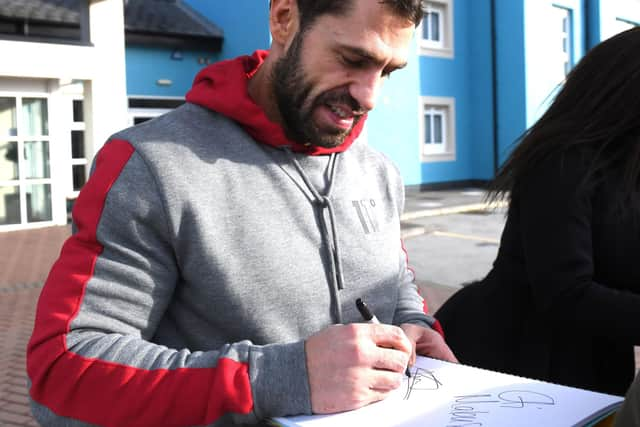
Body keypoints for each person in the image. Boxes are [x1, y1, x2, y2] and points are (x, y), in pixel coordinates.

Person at [26, 1, 457, 426]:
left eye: (387, 71)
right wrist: (281, 378)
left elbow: (394, 280)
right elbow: (63, 375)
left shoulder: (379, 171)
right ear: (284, 18)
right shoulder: (149, 166)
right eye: (353, 59)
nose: (370, 95)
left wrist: (413, 323)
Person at [435, 26, 640, 397]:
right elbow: (566, 293)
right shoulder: (563, 161)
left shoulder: (628, 167)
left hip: (595, 364)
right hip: (516, 358)